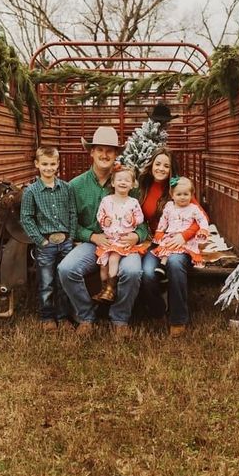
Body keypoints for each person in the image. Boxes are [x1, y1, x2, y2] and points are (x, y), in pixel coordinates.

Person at [58, 126, 148, 337]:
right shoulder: (76, 186)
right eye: (100, 149)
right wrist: (92, 236)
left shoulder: (126, 184)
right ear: (91, 152)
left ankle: (120, 319)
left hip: (125, 244)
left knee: (133, 271)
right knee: (66, 269)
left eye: (110, 150)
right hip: (93, 243)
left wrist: (136, 236)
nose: (105, 155)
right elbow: (70, 224)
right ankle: (86, 317)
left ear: (116, 154)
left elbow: (143, 224)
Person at [138, 148, 203, 337]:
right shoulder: (143, 186)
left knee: (175, 264)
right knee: (148, 274)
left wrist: (184, 235)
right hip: (154, 241)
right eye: (158, 164)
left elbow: (201, 217)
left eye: (166, 165)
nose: (161, 168)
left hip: (178, 242)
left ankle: (178, 318)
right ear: (151, 166)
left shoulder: (179, 189)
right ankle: (158, 310)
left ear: (171, 169)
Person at [20, 145, 77, 331]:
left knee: (63, 281)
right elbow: (26, 218)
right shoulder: (31, 191)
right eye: (44, 164)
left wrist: (72, 237)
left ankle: (64, 316)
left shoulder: (66, 188)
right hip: (46, 243)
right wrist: (41, 241)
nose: (48, 168)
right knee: (46, 282)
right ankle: (47, 317)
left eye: (52, 164)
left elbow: (72, 213)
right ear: (37, 164)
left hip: (65, 242)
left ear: (58, 164)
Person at [93, 164, 146, 303]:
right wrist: (105, 219)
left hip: (122, 240)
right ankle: (104, 289)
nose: (123, 182)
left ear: (133, 184)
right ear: (113, 182)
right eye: (120, 179)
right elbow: (100, 215)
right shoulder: (107, 200)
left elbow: (141, 218)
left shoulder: (133, 202)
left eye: (127, 180)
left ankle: (111, 289)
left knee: (113, 259)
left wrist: (132, 219)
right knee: (103, 264)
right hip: (109, 239)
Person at [152, 176, 210, 279]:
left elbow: (202, 219)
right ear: (172, 195)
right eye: (178, 194)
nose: (182, 197)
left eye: (186, 194)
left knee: (175, 251)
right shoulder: (169, 207)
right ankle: (162, 266)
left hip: (186, 240)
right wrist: (160, 231)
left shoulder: (193, 208)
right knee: (166, 247)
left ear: (191, 195)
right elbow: (163, 220)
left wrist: (203, 229)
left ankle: (165, 269)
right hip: (171, 236)